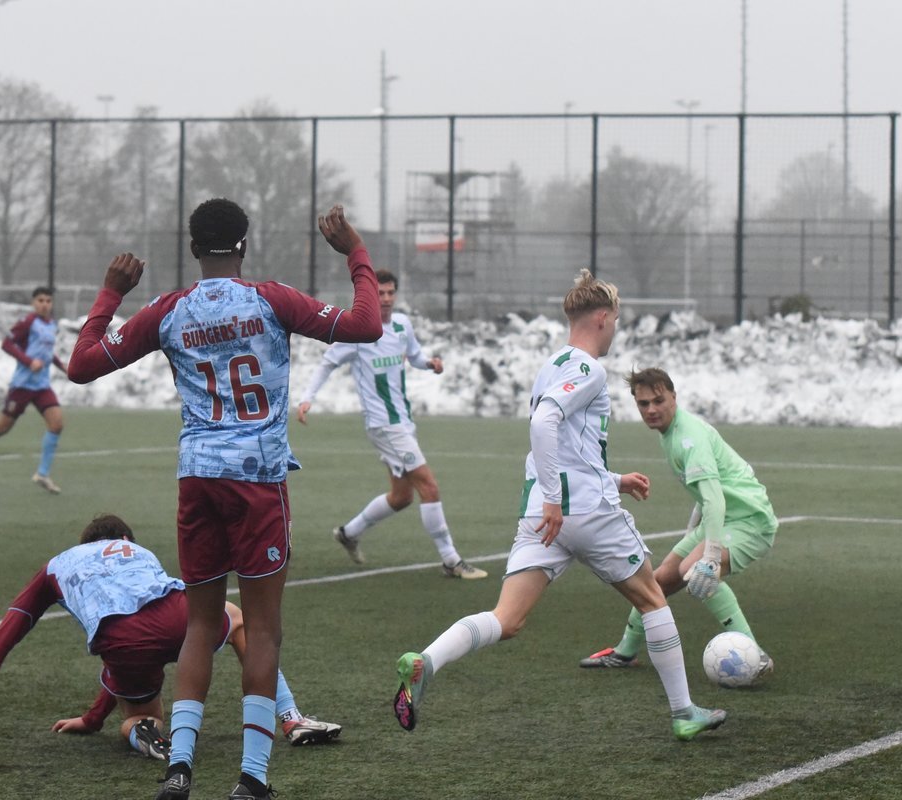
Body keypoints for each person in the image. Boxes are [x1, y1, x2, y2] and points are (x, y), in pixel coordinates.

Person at [66, 200, 381, 800]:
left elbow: (81, 366)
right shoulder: (271, 299)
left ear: (193, 250)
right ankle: (252, 778)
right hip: (257, 480)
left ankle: (180, 769)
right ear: (244, 246)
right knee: (261, 630)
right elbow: (367, 325)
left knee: (201, 625)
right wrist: (355, 253)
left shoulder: (168, 311)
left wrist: (110, 294)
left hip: (197, 479)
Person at [393, 269, 727, 742]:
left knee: (506, 619)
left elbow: (567, 446)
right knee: (652, 597)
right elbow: (544, 424)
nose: (615, 330)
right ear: (602, 318)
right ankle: (684, 711)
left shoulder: (551, 366)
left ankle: (427, 661)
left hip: (542, 514)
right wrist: (559, 498)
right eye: (615, 321)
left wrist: (614, 479)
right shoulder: (590, 369)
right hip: (581, 510)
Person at [0, 514, 342, 755]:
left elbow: (1, 643)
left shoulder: (56, 566)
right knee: (236, 618)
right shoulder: (137, 551)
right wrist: (91, 718)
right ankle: (290, 718)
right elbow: (154, 615)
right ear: (125, 539)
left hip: (121, 643)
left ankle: (146, 735)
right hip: (178, 616)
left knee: (141, 716)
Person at [578, 367, 777, 674]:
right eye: (643, 404)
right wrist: (694, 531)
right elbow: (708, 493)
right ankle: (624, 653)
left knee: (696, 572)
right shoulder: (672, 432)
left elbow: (714, 498)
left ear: (674, 397)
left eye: (658, 401)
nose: (651, 409)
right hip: (722, 518)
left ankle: (755, 656)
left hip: (750, 521)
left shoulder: (689, 438)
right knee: (657, 581)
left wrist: (710, 556)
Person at [296, 269, 487, 579]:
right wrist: (307, 398)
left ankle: (348, 533)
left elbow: (415, 356)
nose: (385, 299)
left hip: (403, 421)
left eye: (389, 293)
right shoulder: (358, 332)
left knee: (401, 497)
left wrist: (430, 364)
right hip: (384, 425)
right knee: (429, 486)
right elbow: (327, 363)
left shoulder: (402, 325)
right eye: (379, 293)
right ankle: (451, 560)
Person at [0, 286, 66, 494]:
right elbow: (6, 344)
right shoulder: (28, 322)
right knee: (2, 427)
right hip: (23, 385)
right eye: (41, 300)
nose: (45, 304)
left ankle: (42, 473)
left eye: (48, 301)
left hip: (42, 386)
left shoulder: (51, 325)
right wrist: (28, 361)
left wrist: (62, 367)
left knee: (57, 424)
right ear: (33, 303)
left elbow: (47, 352)